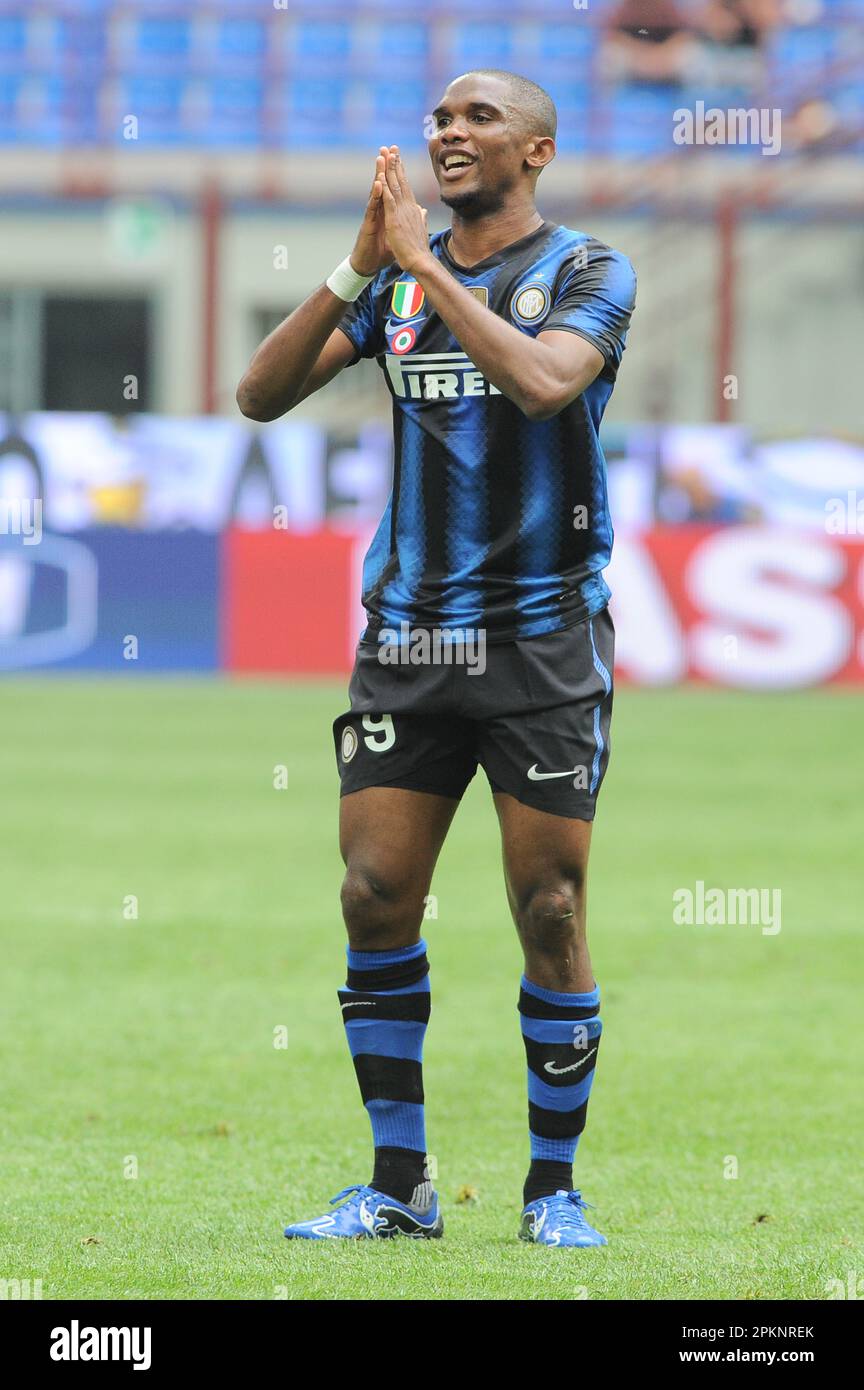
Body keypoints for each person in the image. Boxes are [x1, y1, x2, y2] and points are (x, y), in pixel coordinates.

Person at [237, 69, 637, 1248]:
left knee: (549, 903)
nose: (448, 134)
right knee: (372, 895)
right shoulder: (396, 285)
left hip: (543, 638)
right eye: (439, 121)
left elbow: (543, 380)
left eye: (477, 120)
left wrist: (421, 268)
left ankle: (551, 1189)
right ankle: (398, 1183)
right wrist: (362, 267)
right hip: (409, 637)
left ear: (538, 150)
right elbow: (259, 397)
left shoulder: (586, 272)